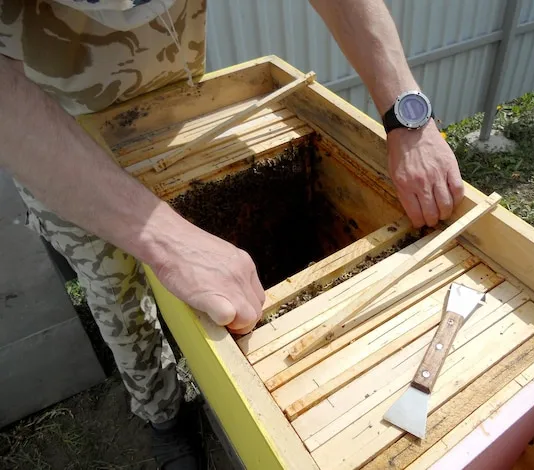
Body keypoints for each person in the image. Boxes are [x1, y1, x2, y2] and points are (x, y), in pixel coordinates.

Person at [0, 0, 464, 468]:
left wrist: (407, 116)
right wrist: (166, 240)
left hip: (182, 105)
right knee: (113, 287)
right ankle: (162, 412)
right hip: (56, 134)